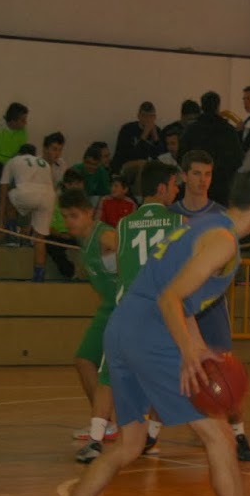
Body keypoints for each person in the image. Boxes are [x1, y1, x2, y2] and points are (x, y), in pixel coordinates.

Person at [28, 169, 250, 496]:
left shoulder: (204, 225)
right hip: (152, 331)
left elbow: (180, 297)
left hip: (123, 327)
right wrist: (188, 353)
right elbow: (171, 297)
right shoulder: (222, 240)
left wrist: (198, 346)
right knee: (220, 436)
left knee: (130, 442)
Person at [78, 159, 186, 463]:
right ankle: (151, 435)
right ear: (162, 188)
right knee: (167, 376)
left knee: (108, 376)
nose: (177, 191)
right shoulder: (178, 222)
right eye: (174, 185)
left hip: (126, 311)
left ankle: (95, 440)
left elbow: (117, 264)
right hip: (160, 312)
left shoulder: (124, 225)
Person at [172, 150, 250, 461]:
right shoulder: (170, 215)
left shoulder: (221, 215)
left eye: (207, 174)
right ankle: (151, 433)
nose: (202, 180)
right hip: (179, 303)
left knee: (224, 370)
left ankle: (239, 434)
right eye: (196, 173)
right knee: (171, 366)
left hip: (211, 305)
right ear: (183, 176)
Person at [59, 186, 121, 464]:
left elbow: (132, 258)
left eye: (73, 215)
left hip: (122, 308)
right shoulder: (84, 242)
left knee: (112, 372)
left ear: (88, 213)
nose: (68, 221)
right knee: (84, 360)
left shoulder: (106, 236)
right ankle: (105, 422)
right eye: (65, 216)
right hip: (107, 307)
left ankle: (117, 425)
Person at [0, 143, 57, 281]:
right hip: (48, 197)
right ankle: (38, 276)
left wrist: (0, 222)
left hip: (26, 193)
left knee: (9, 198)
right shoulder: (44, 163)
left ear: (19, 153)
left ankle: (12, 236)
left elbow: (3, 191)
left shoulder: (13, 161)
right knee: (40, 239)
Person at [180, 92, 244, 208]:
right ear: (218, 107)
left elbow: (181, 156)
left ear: (202, 107)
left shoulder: (191, 130)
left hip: (195, 186)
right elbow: (238, 159)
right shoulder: (228, 130)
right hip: (221, 188)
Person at [112, 101, 164, 172]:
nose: (147, 119)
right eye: (144, 116)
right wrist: (144, 135)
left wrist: (156, 138)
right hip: (128, 168)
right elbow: (130, 156)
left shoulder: (158, 131)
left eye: (151, 116)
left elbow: (162, 156)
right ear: (138, 116)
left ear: (155, 117)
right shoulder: (127, 129)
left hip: (148, 170)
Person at [0, 102, 30, 187]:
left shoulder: (22, 131)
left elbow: (22, 152)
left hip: (13, 166)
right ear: (13, 121)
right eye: (23, 120)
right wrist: (9, 163)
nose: (26, 123)